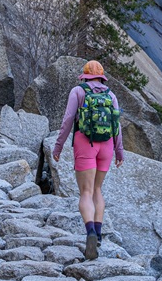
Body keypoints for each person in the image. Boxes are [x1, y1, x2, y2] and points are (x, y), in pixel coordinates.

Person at [52, 60, 124, 260]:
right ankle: (99, 235)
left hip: (85, 143)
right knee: (98, 190)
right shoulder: (111, 95)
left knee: (86, 191)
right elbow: (116, 125)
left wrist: (58, 146)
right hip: (107, 146)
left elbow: (68, 120)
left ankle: (90, 231)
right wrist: (120, 151)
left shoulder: (78, 91)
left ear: (84, 75)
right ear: (102, 76)